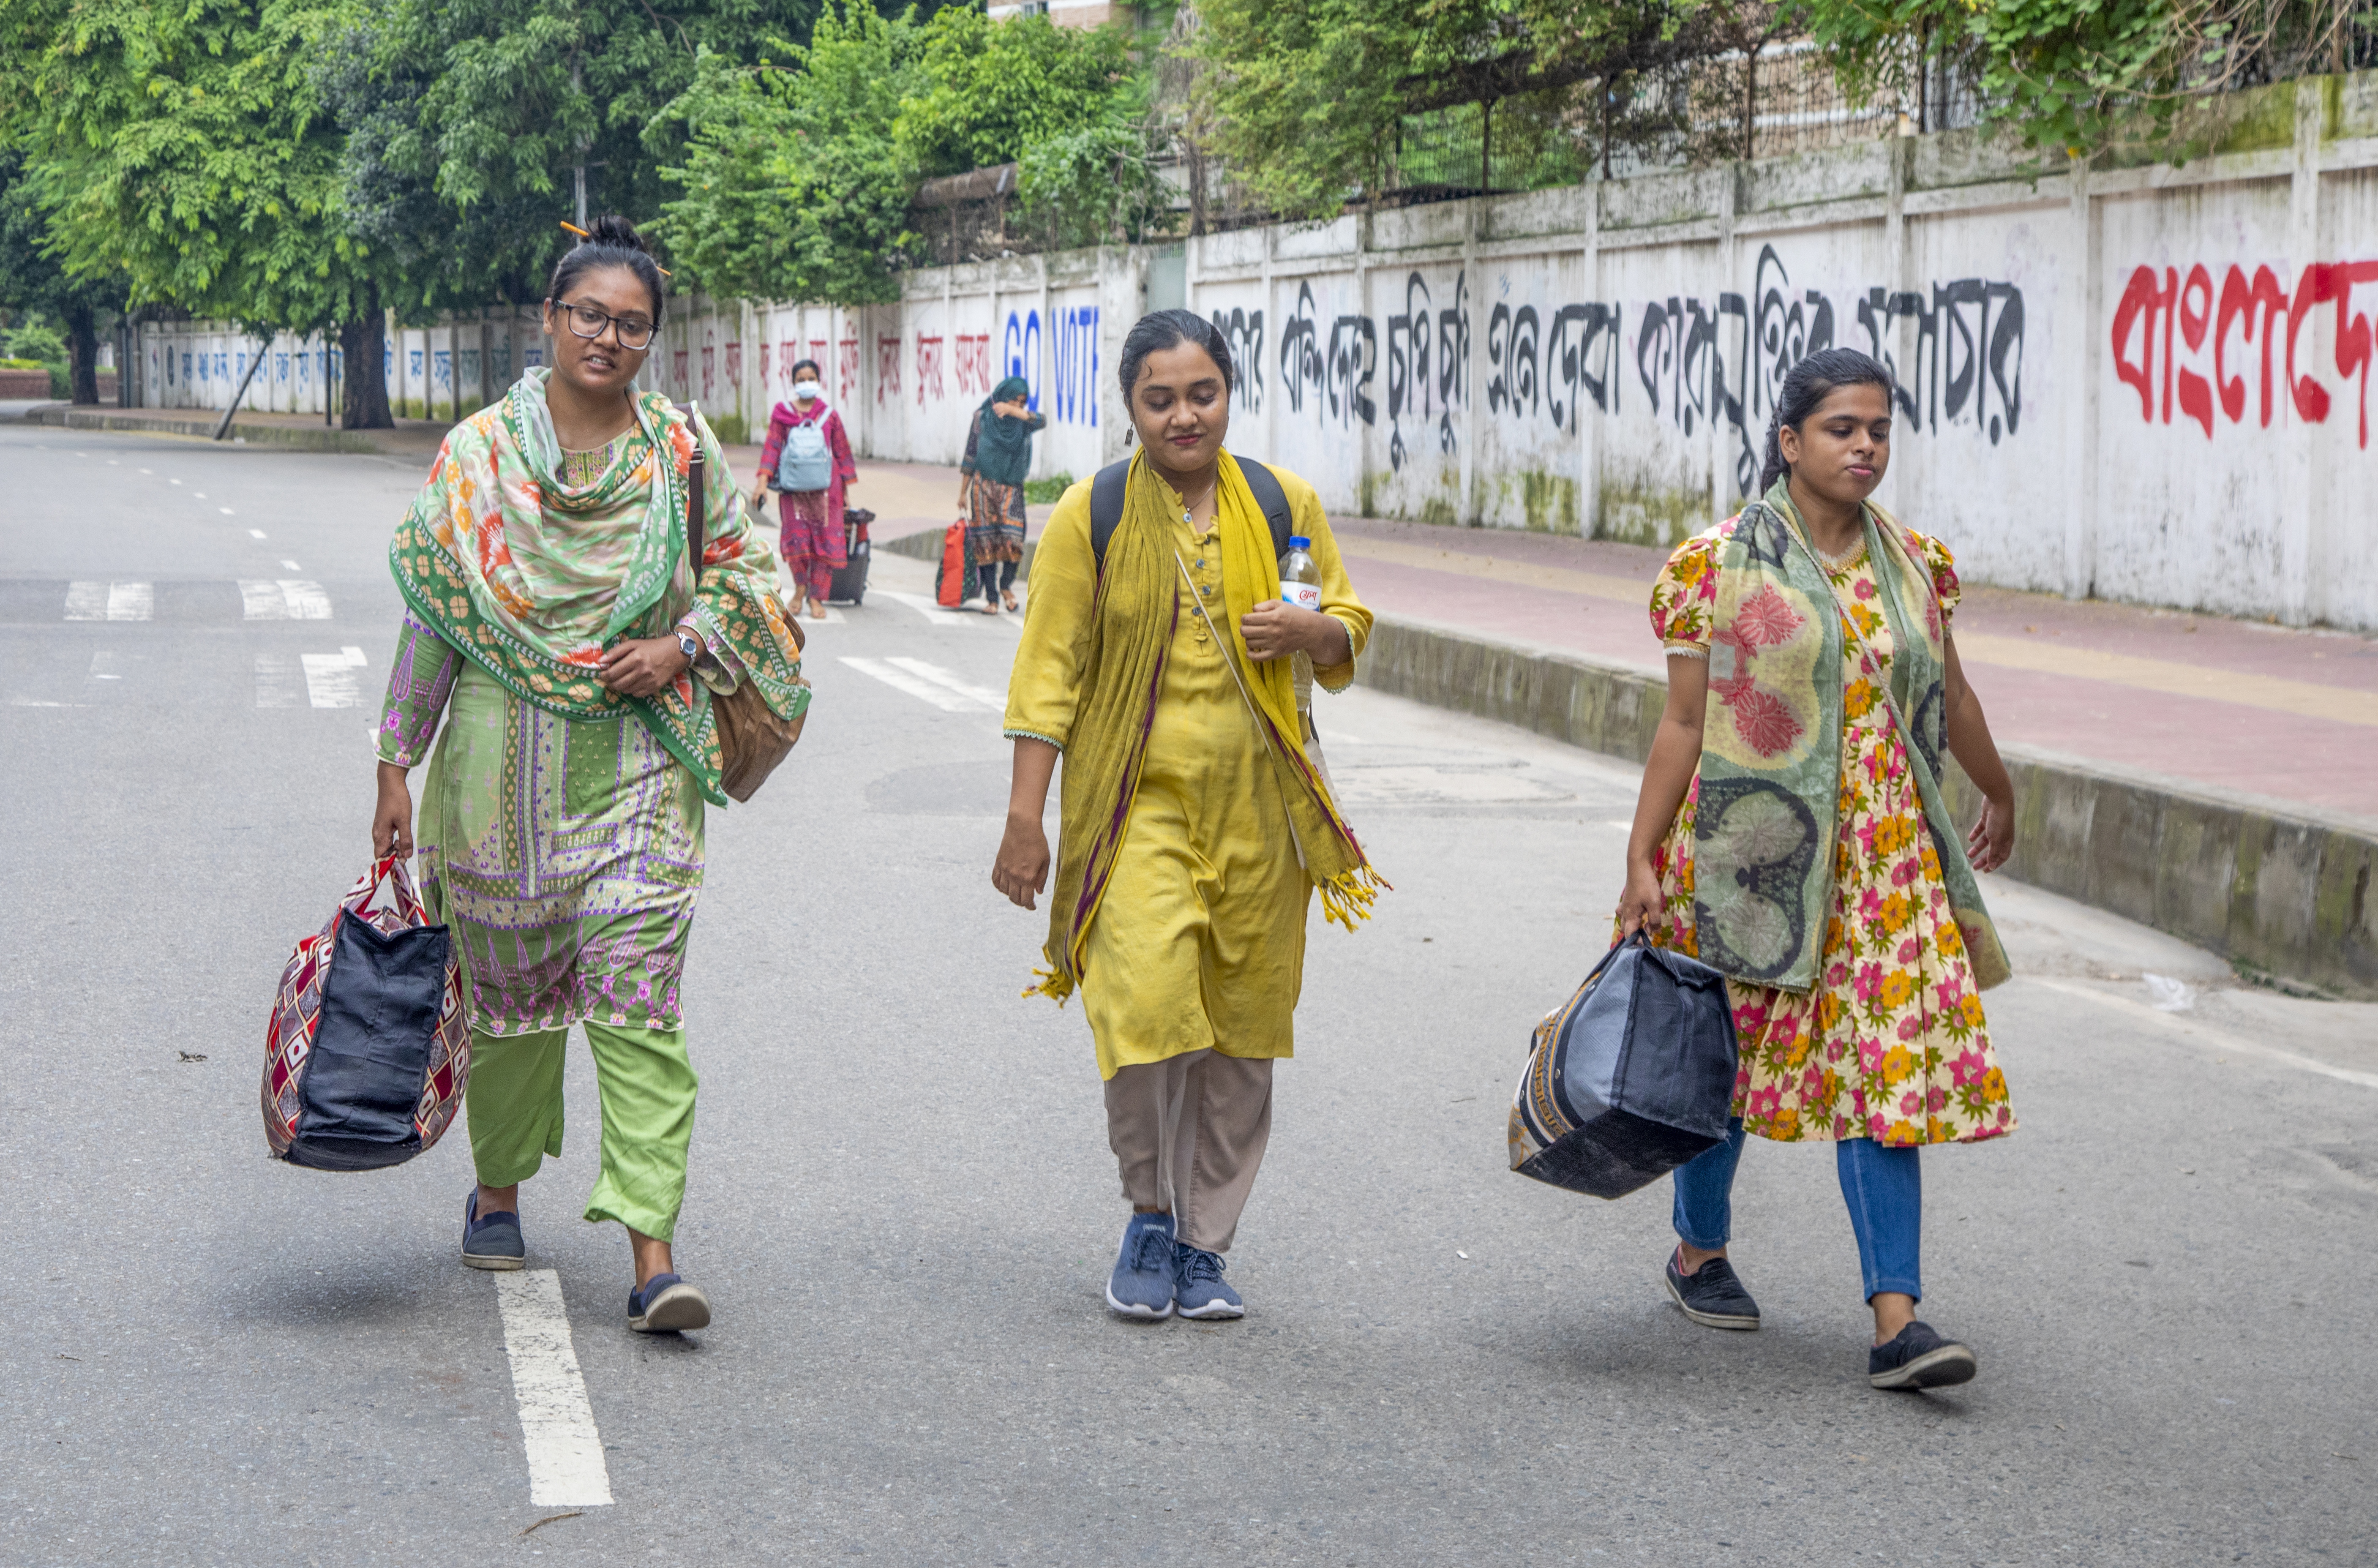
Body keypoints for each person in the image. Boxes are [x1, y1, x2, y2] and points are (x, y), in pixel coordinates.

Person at [369, 215, 810, 1335]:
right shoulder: (477, 454)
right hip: (492, 775)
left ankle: (653, 1253)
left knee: (639, 998)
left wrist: (681, 647)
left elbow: (751, 579)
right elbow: (435, 615)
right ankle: (499, 1188)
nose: (608, 337)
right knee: (512, 1008)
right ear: (550, 319)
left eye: (632, 324)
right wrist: (394, 762)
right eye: (590, 316)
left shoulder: (679, 452)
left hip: (639, 768)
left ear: (653, 336)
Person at [1614, 346, 2019, 1391]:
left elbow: (1954, 698)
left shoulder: (1916, 563)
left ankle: (1898, 1321)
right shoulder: (1715, 566)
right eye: (1843, 429)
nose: (1866, 447)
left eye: (1880, 429)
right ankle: (1699, 1250)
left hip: (1887, 866)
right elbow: (1686, 722)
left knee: (1888, 1070)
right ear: (1791, 441)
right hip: (1754, 859)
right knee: (1727, 1068)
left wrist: (2000, 790)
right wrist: (1641, 855)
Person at [991, 310, 1384, 1322]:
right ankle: (1149, 1215)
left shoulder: (1282, 501)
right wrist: (1027, 819)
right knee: (1147, 1010)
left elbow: (1347, 622)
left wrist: (1313, 631)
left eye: (1201, 394)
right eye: (1159, 399)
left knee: (1244, 1030)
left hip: (1262, 812)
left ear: (1228, 394)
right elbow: (1047, 672)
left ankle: (1207, 1244)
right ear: (1131, 405)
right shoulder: (1092, 514)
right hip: (1135, 811)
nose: (1183, 416)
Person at [753, 357, 857, 620]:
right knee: (797, 541)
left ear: (819, 381)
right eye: (801, 380)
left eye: (811, 379)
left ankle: (816, 597)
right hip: (793, 491)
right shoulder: (783, 413)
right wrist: (762, 482)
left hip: (827, 492)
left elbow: (842, 452)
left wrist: (846, 492)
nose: (807, 383)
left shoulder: (830, 415)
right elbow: (772, 447)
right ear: (793, 383)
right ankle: (800, 589)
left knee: (824, 542)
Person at [957, 374, 1044, 614]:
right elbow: (970, 455)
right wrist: (962, 493)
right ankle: (993, 599)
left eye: (1022, 402)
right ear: (1004, 396)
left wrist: (1014, 411)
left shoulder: (1023, 422)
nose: (1018, 405)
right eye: (1014, 400)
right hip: (982, 487)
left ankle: (1006, 585)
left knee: (1014, 538)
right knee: (985, 541)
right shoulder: (982, 419)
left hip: (1011, 488)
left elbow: (1042, 421)